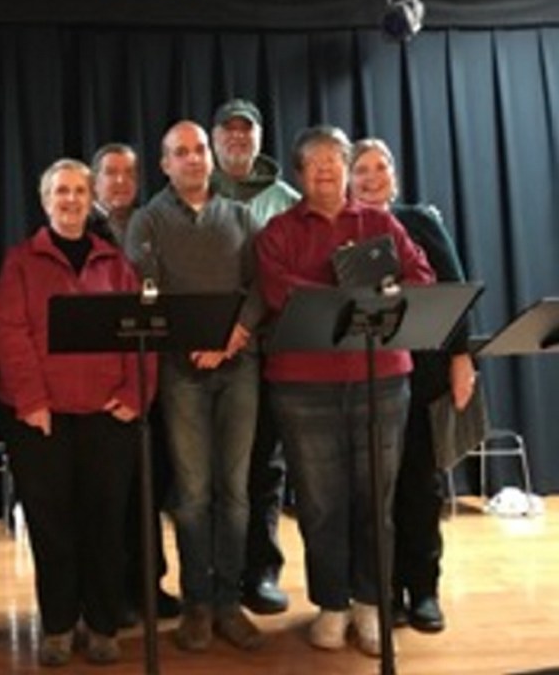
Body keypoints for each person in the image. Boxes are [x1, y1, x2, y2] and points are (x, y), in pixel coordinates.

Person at [255, 125, 435, 658]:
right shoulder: (278, 231)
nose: (326, 169)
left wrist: (378, 295)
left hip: (382, 380)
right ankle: (331, 605)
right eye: (314, 163)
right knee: (320, 504)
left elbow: (420, 279)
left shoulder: (380, 222)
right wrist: (354, 295)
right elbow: (276, 291)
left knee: (373, 501)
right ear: (299, 176)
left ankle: (370, 604)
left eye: (335, 159)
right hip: (302, 387)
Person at [0, 158, 156, 668]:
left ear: (92, 202)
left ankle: (104, 624)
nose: (69, 200)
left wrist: (136, 394)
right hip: (42, 418)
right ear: (45, 202)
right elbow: (11, 334)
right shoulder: (20, 262)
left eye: (79, 192)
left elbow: (143, 334)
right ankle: (60, 626)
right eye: (60, 192)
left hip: (107, 415)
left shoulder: (116, 263)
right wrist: (33, 400)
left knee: (106, 524)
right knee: (51, 526)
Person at [125, 121, 266, 653]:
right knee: (192, 496)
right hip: (182, 372)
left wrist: (235, 335)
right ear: (164, 165)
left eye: (199, 149)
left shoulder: (240, 215)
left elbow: (260, 287)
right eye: (179, 152)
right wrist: (192, 342)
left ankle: (230, 604)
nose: (192, 159)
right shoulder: (148, 220)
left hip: (239, 366)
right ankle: (197, 605)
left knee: (234, 496)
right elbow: (147, 290)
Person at [349, 137, 476, 634]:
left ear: (394, 176)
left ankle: (423, 590)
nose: (372, 176)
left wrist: (461, 359)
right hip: (365, 377)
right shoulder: (343, 229)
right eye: (362, 169)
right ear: (348, 178)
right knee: (374, 493)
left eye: (381, 167)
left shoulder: (421, 220)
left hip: (423, 373)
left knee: (419, 486)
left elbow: (455, 291)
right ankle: (382, 594)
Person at [210, 98, 300, 615]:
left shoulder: (285, 200)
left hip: (269, 357)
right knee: (207, 476)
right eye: (229, 131)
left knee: (263, 470)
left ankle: (259, 572)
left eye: (247, 131)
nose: (238, 139)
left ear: (261, 139)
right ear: (214, 139)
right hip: (200, 359)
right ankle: (213, 574)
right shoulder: (194, 193)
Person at [88, 142, 182, 628]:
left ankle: (149, 583)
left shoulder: (154, 223)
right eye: (111, 173)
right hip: (103, 380)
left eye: (129, 173)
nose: (121, 182)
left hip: (152, 374)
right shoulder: (78, 228)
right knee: (111, 496)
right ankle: (112, 590)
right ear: (93, 181)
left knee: (151, 486)